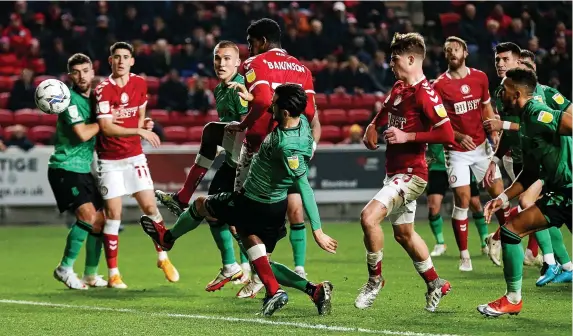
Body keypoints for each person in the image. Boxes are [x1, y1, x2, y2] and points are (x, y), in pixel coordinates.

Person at [140, 84, 336, 317]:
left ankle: (168, 238)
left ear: (284, 112)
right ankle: (313, 290)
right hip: (276, 207)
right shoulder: (302, 123)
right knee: (263, 262)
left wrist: (318, 230)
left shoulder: (286, 146)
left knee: (202, 205)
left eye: (274, 103)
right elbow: (309, 119)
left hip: (252, 201)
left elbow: (304, 186)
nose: (271, 105)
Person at [357, 32, 454, 312]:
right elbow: (385, 109)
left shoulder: (426, 93)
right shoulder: (400, 88)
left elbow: (447, 133)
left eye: (394, 58)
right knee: (404, 234)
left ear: (411, 59)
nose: (390, 64)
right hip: (395, 172)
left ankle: (375, 281)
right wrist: (372, 126)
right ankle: (435, 283)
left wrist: (407, 136)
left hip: (413, 174)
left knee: (368, 217)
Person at [226, 18, 322, 296]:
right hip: (291, 148)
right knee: (287, 210)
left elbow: (262, 101)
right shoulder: (301, 68)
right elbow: (311, 114)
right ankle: (270, 270)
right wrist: (303, 147)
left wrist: (244, 125)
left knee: (239, 215)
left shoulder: (254, 64)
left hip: (259, 150)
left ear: (262, 42)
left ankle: (257, 271)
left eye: (250, 43)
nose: (249, 49)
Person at [157, 40, 251, 291]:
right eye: (218, 58)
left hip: (247, 167)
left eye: (227, 58)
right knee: (212, 210)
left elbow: (248, 127)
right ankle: (232, 266)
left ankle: (257, 274)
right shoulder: (220, 89)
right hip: (232, 162)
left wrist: (226, 132)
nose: (222, 63)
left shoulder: (237, 86)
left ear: (238, 62)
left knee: (237, 222)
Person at [478, 68, 572, 317]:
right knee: (510, 231)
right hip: (560, 195)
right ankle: (512, 299)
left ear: (517, 93)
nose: (500, 94)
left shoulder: (537, 113)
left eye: (504, 89)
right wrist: (501, 198)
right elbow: (529, 174)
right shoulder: (524, 125)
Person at [94, 42, 178, 288]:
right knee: (114, 215)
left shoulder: (140, 84)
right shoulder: (103, 89)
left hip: (134, 157)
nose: (121, 61)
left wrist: (146, 125)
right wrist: (139, 130)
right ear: (110, 61)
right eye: (116, 57)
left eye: (125, 57)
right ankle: (113, 274)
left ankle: (163, 257)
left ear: (132, 61)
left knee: (151, 207)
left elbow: (141, 117)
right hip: (109, 160)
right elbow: (106, 127)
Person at [432, 36, 505, 271]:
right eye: (447, 50)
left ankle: (502, 240)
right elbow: (436, 121)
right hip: (456, 151)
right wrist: (456, 135)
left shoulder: (480, 77)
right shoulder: (439, 85)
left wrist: (493, 127)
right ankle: (464, 255)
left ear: (465, 52)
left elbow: (485, 106)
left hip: (482, 147)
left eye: (456, 49)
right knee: (463, 200)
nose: (452, 53)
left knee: (500, 195)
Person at [49, 53, 107, 290]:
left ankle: (90, 275)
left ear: (92, 72)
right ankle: (64, 268)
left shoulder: (94, 99)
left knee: (100, 222)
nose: (82, 76)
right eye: (76, 72)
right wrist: (105, 122)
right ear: (69, 75)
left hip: (83, 169)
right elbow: (82, 134)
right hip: (65, 167)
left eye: (85, 70)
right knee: (87, 216)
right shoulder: (68, 100)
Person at [425, 144, 488, 257]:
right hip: (438, 166)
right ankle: (440, 243)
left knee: (474, 203)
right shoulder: (430, 125)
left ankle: (485, 242)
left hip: (460, 161)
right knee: (433, 205)